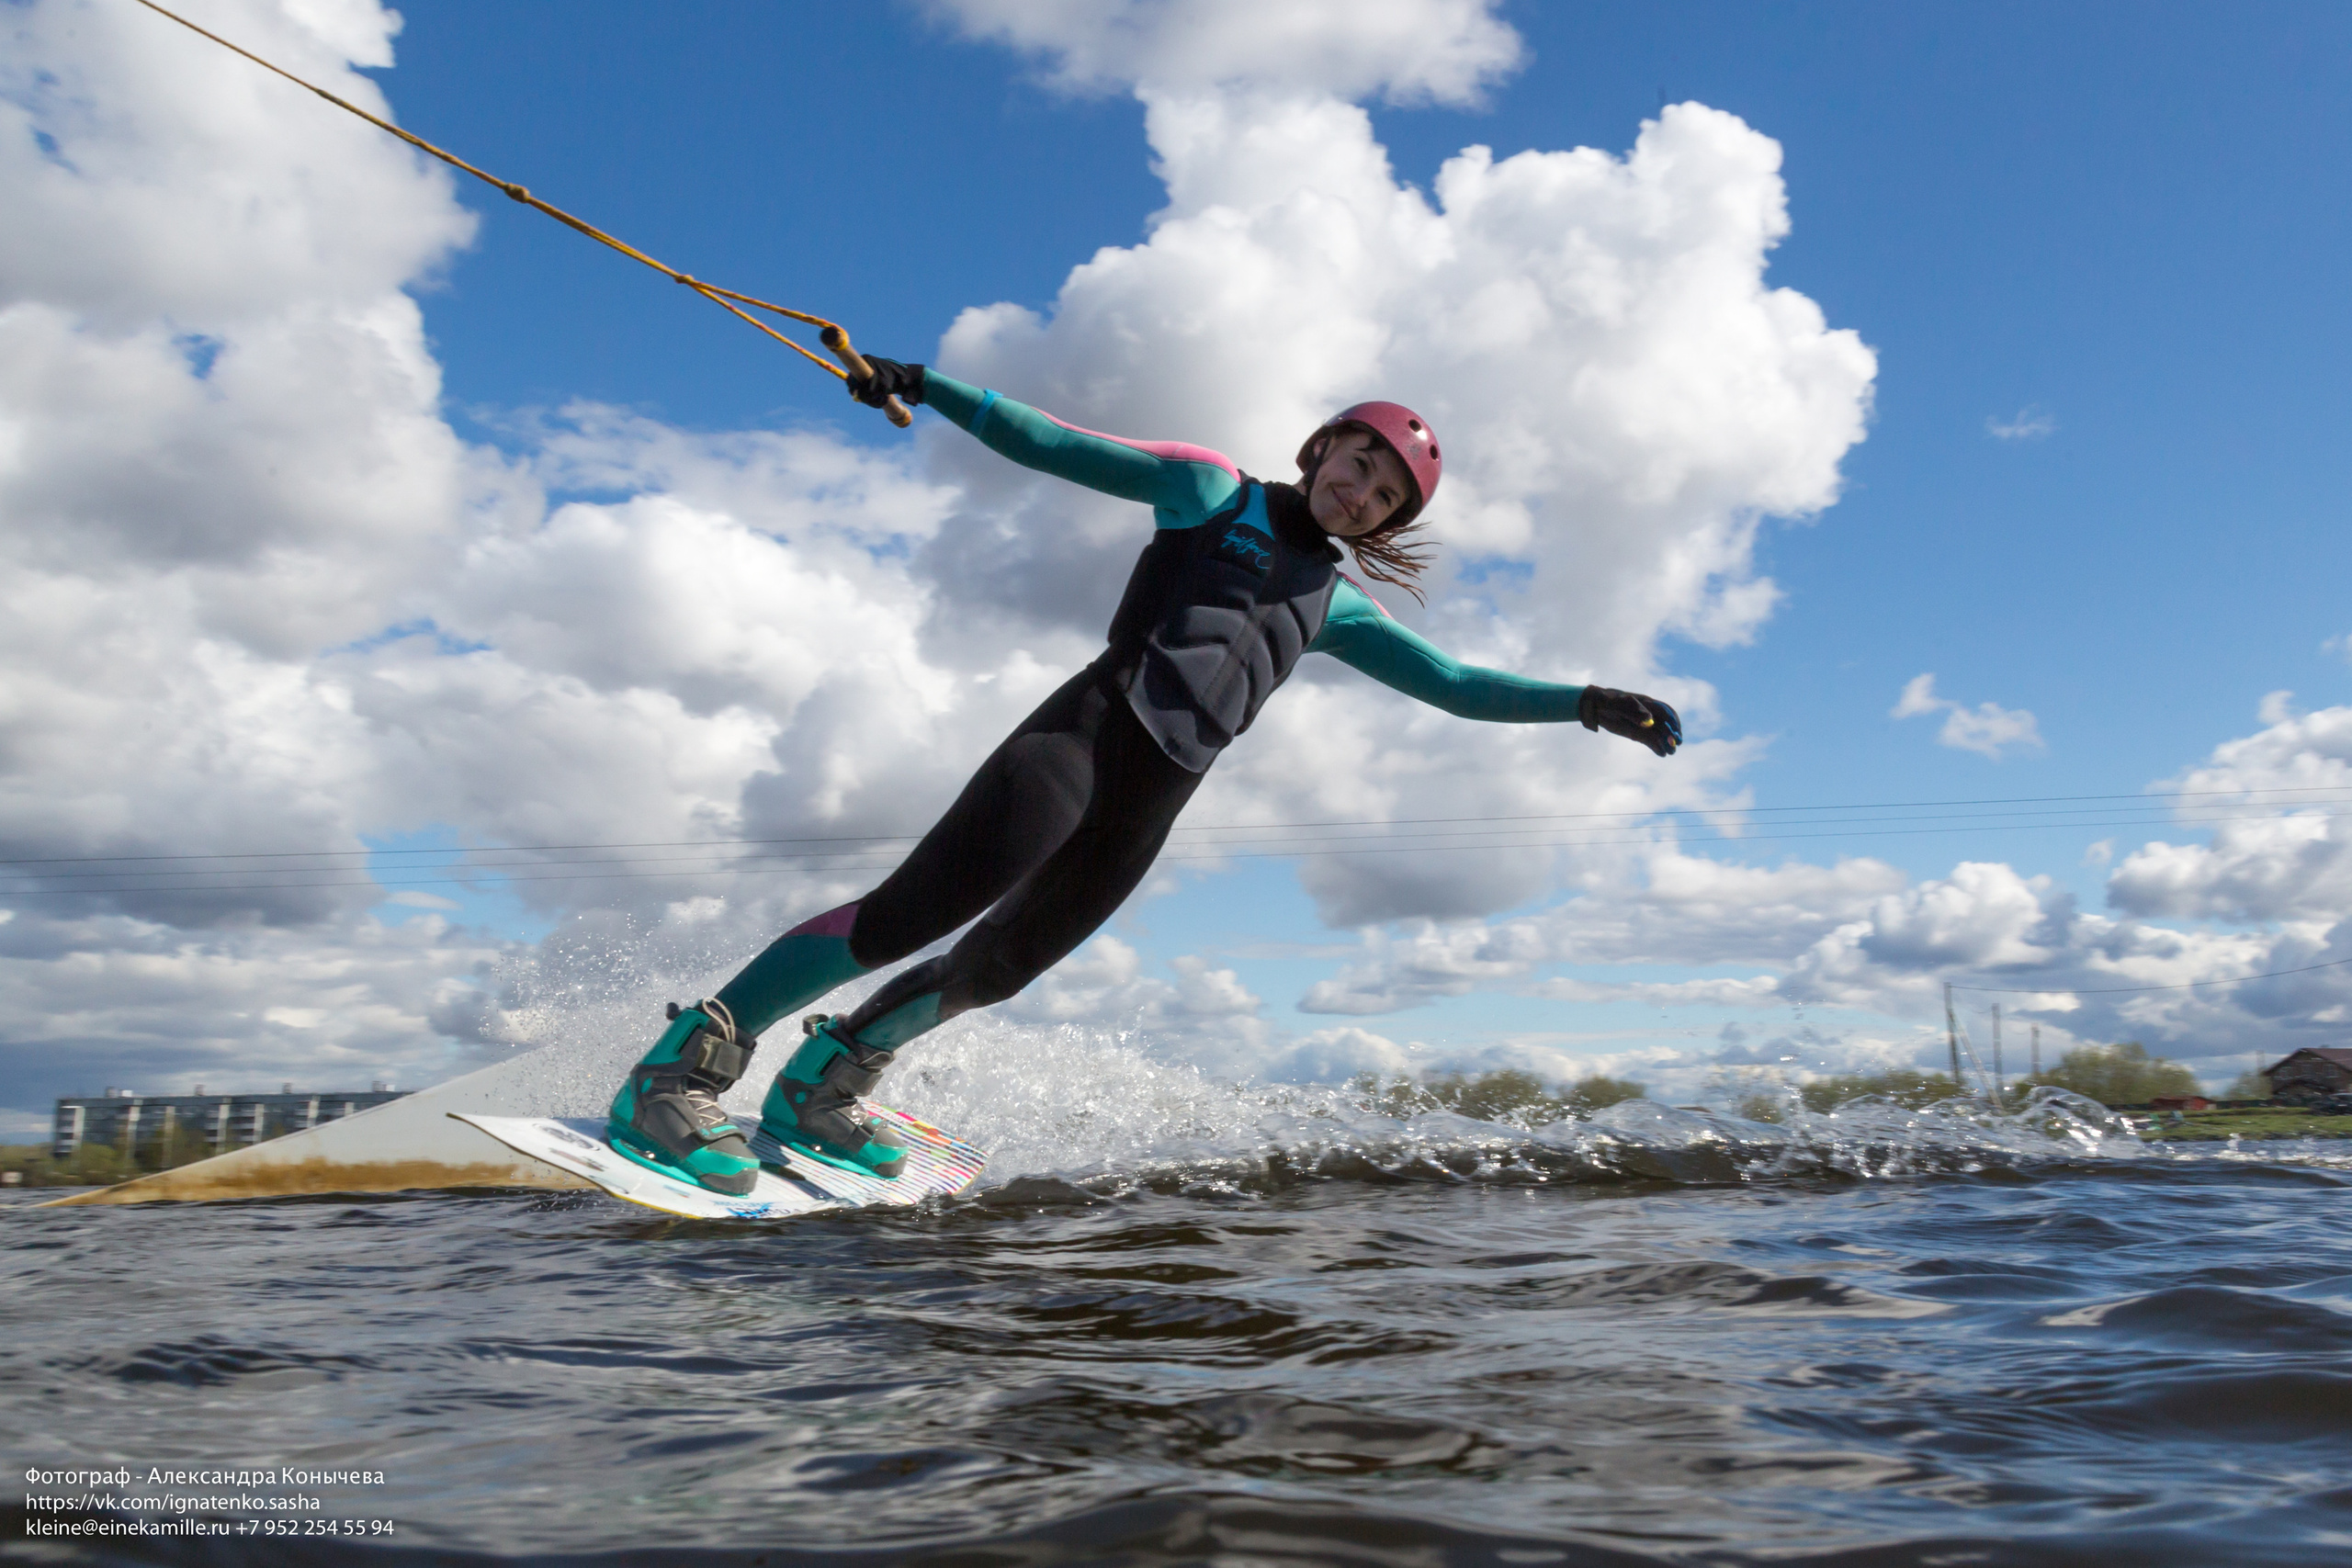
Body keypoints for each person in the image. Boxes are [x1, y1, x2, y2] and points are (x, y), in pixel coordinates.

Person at [605, 359, 1683, 1194]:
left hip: (1155, 798)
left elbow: (1455, 683)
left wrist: (1584, 703)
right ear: (1321, 449)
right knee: (909, 913)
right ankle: (680, 1071)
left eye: (1385, 495)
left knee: (1003, 965)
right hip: (1076, 743)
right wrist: (924, 388)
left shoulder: (1337, 609)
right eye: (1356, 464)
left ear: (1390, 523)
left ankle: (823, 1087)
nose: (1359, 493)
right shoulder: (1209, 493)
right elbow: (1061, 446)